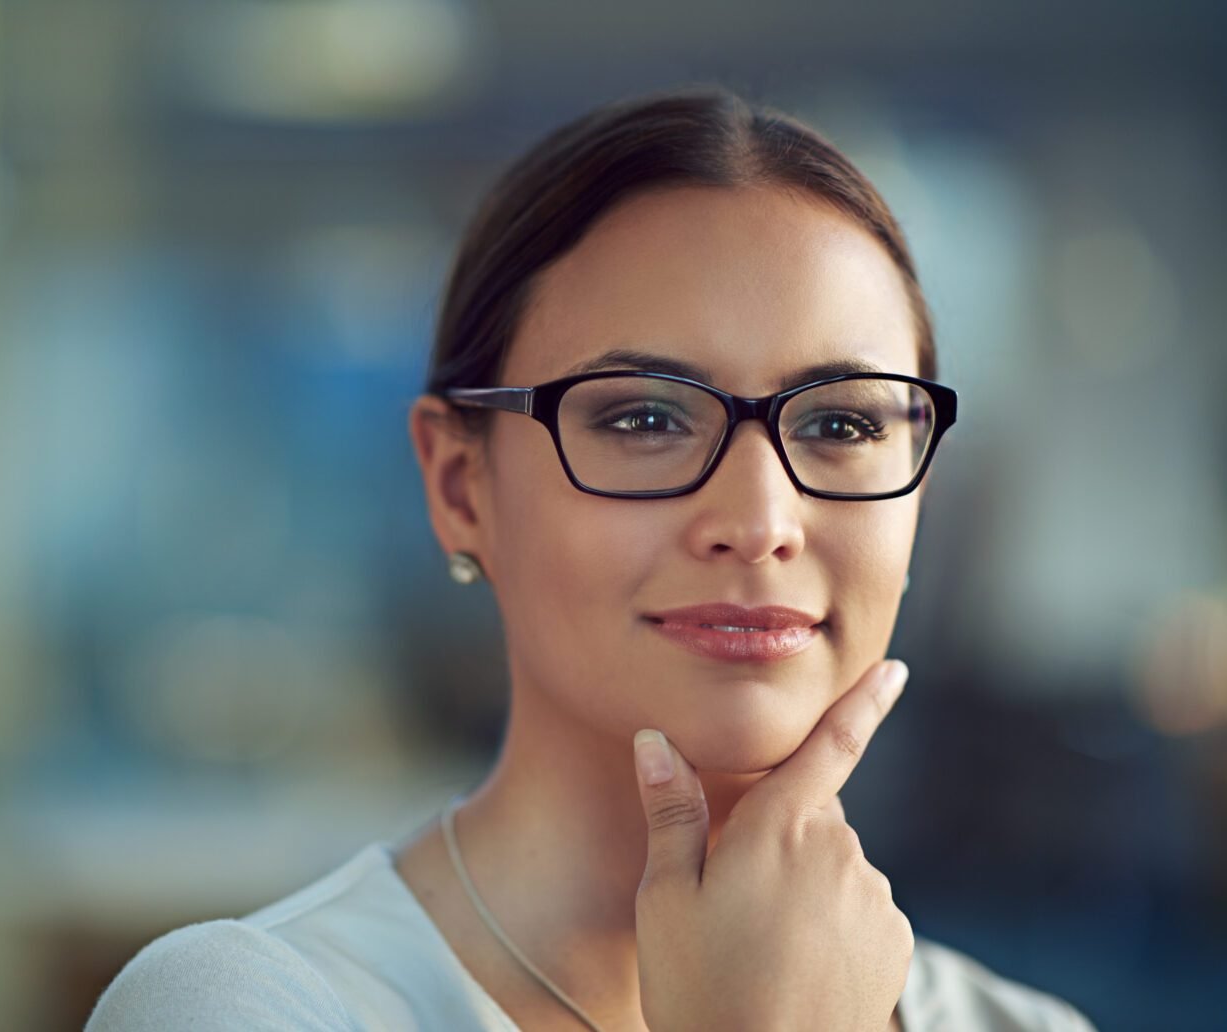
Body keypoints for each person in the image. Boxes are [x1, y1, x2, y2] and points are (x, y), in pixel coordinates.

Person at [85, 85, 1098, 1031]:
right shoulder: (250, 1007)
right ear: (459, 486)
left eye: (839, 425)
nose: (759, 519)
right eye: (648, 417)